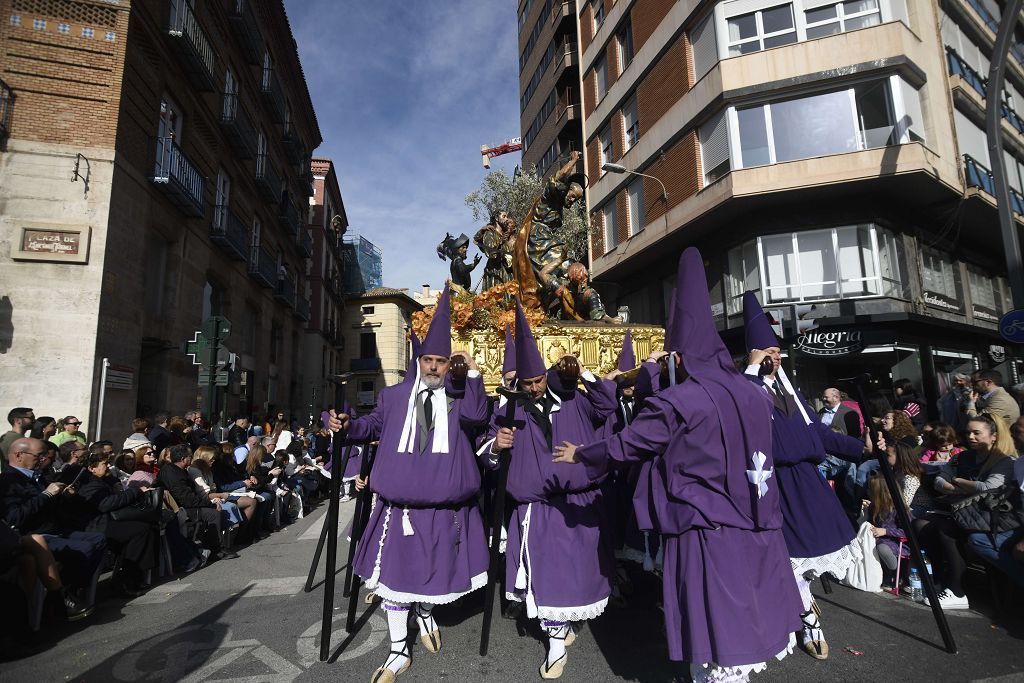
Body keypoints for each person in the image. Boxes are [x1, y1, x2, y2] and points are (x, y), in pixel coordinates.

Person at [554, 249, 802, 682]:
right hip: (762, 528)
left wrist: (581, 453)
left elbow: (625, 446)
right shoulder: (753, 393)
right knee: (750, 627)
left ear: (680, 357)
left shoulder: (678, 401)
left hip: (707, 533)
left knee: (713, 634)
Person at [329, 284, 490, 683]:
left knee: (430, 579)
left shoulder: (460, 396)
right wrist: (347, 426)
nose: (434, 366)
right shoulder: (394, 397)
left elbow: (479, 417)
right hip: (396, 510)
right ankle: (399, 649)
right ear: (418, 361)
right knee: (394, 584)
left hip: (444, 513)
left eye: (441, 361)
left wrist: (469, 370)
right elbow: (371, 425)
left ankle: (426, 612)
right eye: (429, 360)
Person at [487, 300, 617, 678]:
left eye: (538, 380)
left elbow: (609, 406)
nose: (533, 387)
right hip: (535, 511)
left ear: (546, 374)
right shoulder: (510, 412)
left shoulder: (575, 400)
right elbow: (486, 451)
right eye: (527, 383)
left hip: (578, 504)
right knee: (545, 579)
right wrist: (498, 445)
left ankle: (567, 623)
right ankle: (555, 644)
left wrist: (585, 375)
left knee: (579, 575)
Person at [742, 290, 871, 661]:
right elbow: (741, 419)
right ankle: (807, 618)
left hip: (808, 483)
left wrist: (862, 448)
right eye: (768, 353)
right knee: (785, 558)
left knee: (812, 557)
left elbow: (821, 435)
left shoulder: (793, 395)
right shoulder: (747, 390)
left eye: (778, 353)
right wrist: (753, 370)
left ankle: (802, 602)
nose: (775, 358)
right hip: (772, 485)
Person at [913, 413, 1017, 608]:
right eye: (968, 432)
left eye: (977, 433)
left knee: (947, 530)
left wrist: (959, 482)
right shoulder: (963, 456)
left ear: (993, 436)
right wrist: (959, 488)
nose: (971, 437)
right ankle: (938, 579)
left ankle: (957, 591)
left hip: (989, 517)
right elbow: (939, 480)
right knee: (919, 524)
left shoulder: (1003, 461)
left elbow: (989, 488)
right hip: (963, 511)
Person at [0, 438, 107, 610]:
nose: (43, 459)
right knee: (84, 549)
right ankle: (60, 597)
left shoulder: (37, 476)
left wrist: (64, 497)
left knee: (98, 539)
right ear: (19, 455)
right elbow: (14, 518)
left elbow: (50, 507)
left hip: (55, 529)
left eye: (44, 455)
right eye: (39, 455)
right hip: (33, 535)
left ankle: (71, 589)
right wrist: (46, 495)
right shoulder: (8, 482)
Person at [76, 451, 158, 596]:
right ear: (91, 468)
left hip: (106, 521)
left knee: (146, 527)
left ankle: (135, 574)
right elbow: (106, 504)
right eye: (103, 464)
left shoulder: (102, 479)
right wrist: (135, 491)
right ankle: (126, 579)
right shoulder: (89, 484)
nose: (107, 466)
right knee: (139, 531)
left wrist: (114, 483)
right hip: (96, 525)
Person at [513, 150, 586, 311]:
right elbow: (559, 177)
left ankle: (566, 303)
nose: (572, 201)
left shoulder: (558, 206)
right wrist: (573, 161)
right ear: (565, 189)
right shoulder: (550, 196)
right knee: (565, 265)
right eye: (572, 196)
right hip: (538, 242)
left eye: (576, 200)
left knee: (566, 266)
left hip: (546, 241)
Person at [967, 416, 1024, 586]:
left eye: (1017, 431)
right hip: (1018, 520)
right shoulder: (1019, 463)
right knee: (976, 537)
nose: (1012, 434)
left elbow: (986, 487)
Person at [156, 445, 238, 560]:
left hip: (186, 504)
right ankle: (215, 551)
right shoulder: (172, 473)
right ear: (183, 459)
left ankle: (215, 546)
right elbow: (186, 499)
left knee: (219, 511)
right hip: (179, 509)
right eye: (190, 456)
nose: (191, 458)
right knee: (214, 514)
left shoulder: (179, 471)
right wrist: (211, 504)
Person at [862, 474, 909, 588]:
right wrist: (864, 512)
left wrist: (886, 531)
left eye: (871, 491)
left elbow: (907, 531)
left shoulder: (899, 509)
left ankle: (894, 572)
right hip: (878, 539)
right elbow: (869, 524)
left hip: (896, 543)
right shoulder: (875, 507)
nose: (868, 492)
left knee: (882, 548)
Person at [553, 262, 619, 322]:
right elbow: (597, 315)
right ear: (586, 275)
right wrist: (612, 320)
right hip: (586, 329)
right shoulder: (590, 294)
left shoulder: (563, 290)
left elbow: (544, 275)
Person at [474, 212, 515, 291]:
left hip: (507, 270)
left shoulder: (504, 235)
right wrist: (500, 242)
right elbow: (491, 253)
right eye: (504, 216)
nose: (506, 219)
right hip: (495, 271)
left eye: (507, 217)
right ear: (496, 218)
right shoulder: (490, 232)